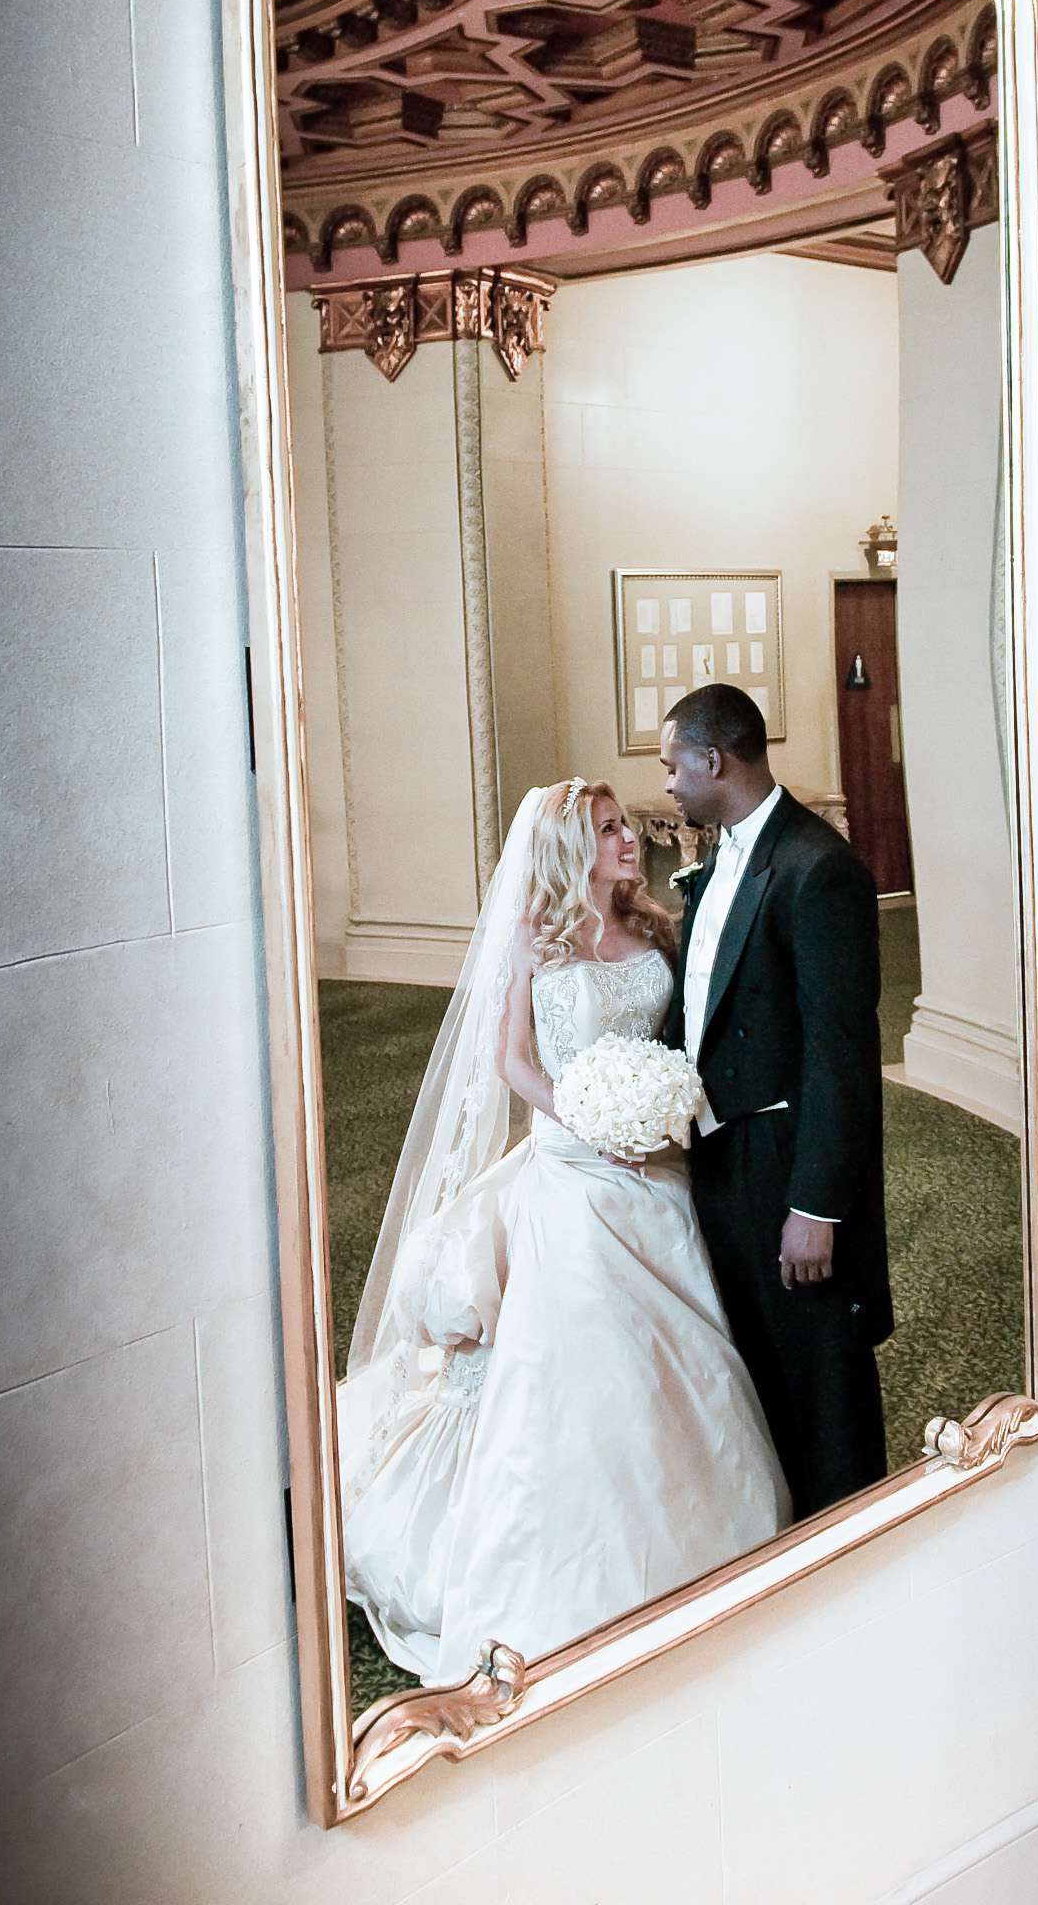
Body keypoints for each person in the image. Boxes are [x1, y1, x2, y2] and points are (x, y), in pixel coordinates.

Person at [337, 778, 789, 1687]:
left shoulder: (658, 926)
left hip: (657, 1170)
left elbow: (680, 1045)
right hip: (574, 1177)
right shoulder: (532, 941)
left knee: (690, 1356)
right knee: (582, 1365)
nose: (631, 839)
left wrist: (653, 1115)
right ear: (568, 850)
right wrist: (587, 1120)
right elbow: (510, 1059)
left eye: (626, 825)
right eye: (610, 830)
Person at [659, 685, 892, 1519]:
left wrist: (816, 1205)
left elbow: (841, 1055)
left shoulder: (816, 868)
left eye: (673, 766)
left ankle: (851, 1537)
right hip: (721, 1153)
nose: (669, 785)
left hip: (786, 1164)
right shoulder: (720, 855)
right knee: (756, 1354)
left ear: (712, 759)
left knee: (820, 1370)